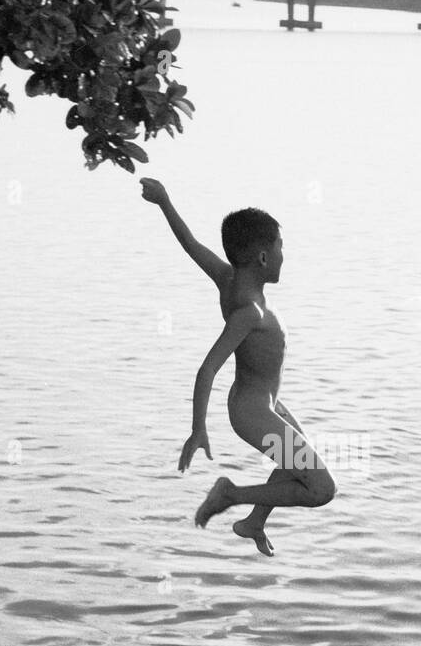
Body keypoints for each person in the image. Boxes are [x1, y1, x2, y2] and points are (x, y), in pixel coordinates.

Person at [141, 179, 336, 556]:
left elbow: (191, 245)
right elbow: (207, 370)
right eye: (281, 249)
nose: (284, 257)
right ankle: (229, 495)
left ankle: (254, 523)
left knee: (295, 461)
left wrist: (164, 201)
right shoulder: (249, 313)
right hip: (251, 411)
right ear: (263, 258)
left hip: (266, 404)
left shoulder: (227, 279)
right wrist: (198, 428)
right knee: (321, 489)